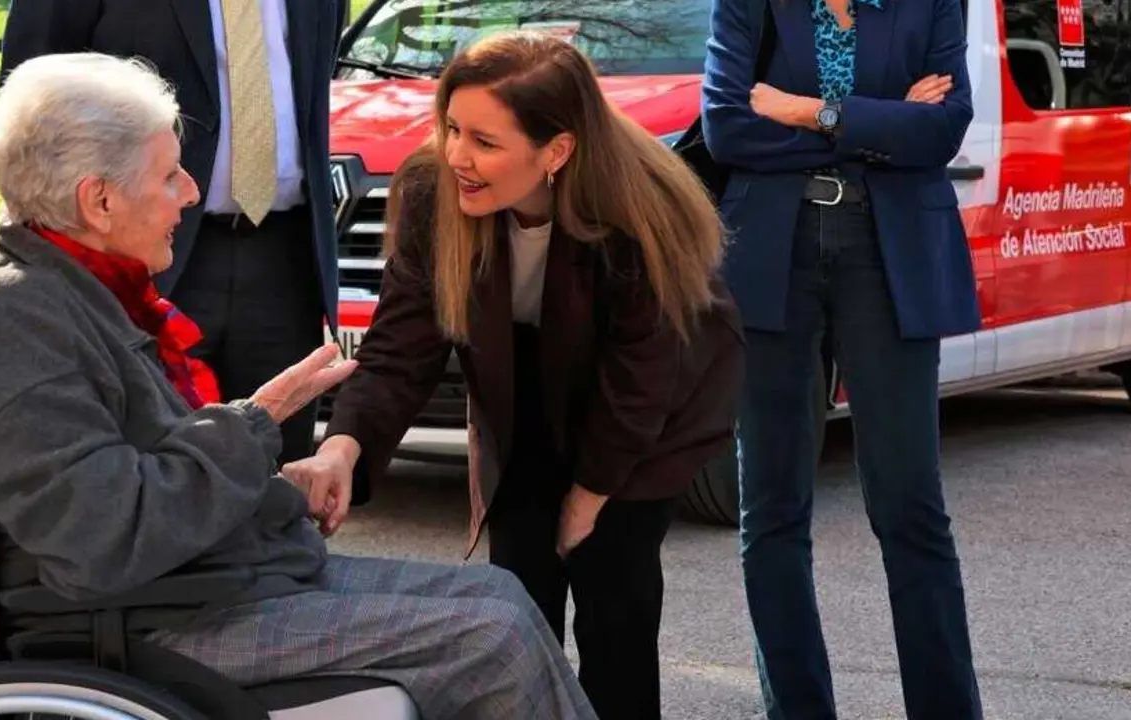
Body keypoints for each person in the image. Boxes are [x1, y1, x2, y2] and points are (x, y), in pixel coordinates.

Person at [0, 52, 598, 720]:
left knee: (500, 596)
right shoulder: (12, 321)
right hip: (149, 622)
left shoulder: (76, 296)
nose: (192, 192)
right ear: (98, 200)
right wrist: (257, 420)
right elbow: (103, 538)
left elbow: (143, 476)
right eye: (169, 175)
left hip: (202, 588)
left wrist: (271, 484)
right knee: (493, 639)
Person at [282, 30, 745, 720]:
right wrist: (342, 446)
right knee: (515, 604)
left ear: (556, 151)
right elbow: (402, 343)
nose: (459, 157)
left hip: (647, 411)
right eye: (452, 129)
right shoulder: (432, 189)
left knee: (615, 603)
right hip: (524, 393)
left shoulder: (639, 207)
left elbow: (642, 376)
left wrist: (587, 502)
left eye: (486, 143)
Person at [699, 0, 985, 718]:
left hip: (890, 256)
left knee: (909, 503)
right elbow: (726, 126)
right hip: (772, 255)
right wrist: (878, 121)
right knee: (771, 507)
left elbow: (945, 127)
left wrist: (807, 111)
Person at [0, 0, 347, 465]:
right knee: (145, 470)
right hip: (132, 259)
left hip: (286, 259)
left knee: (273, 476)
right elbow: (29, 107)